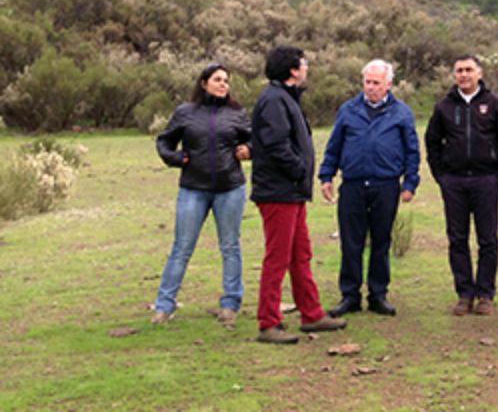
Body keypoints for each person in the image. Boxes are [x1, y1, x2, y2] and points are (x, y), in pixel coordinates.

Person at [251, 46, 347, 344]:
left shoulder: (286, 98)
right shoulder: (273, 101)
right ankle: (269, 322)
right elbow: (277, 145)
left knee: (300, 254)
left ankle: (312, 313)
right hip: (278, 191)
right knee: (278, 258)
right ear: (293, 70)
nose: (307, 68)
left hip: (291, 193)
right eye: (304, 63)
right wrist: (298, 170)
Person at [152, 63, 252, 326]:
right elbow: (164, 141)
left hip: (230, 188)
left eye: (227, 81)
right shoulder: (185, 113)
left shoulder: (237, 113)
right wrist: (176, 158)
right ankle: (164, 305)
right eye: (218, 79)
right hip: (193, 189)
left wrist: (249, 150)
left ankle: (231, 303)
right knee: (182, 247)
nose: (223, 84)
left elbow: (255, 140)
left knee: (230, 246)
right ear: (203, 83)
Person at [320, 59, 420, 318]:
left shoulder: (401, 113)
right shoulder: (348, 110)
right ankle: (350, 295)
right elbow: (335, 145)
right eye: (368, 82)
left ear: (388, 84)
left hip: (386, 185)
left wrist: (410, 182)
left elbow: (412, 151)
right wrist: (327, 176)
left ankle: (378, 295)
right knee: (350, 242)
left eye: (377, 83)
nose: (371, 87)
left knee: (380, 241)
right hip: (353, 185)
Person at [425, 55, 498, 316]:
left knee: (488, 239)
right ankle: (464, 293)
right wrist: (441, 177)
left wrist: (497, 176)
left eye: (468, 70)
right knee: (457, 239)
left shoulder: (494, 104)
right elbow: (432, 143)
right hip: (453, 182)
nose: (463, 75)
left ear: (480, 73)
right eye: (459, 71)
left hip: (485, 180)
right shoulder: (444, 106)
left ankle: (485, 294)